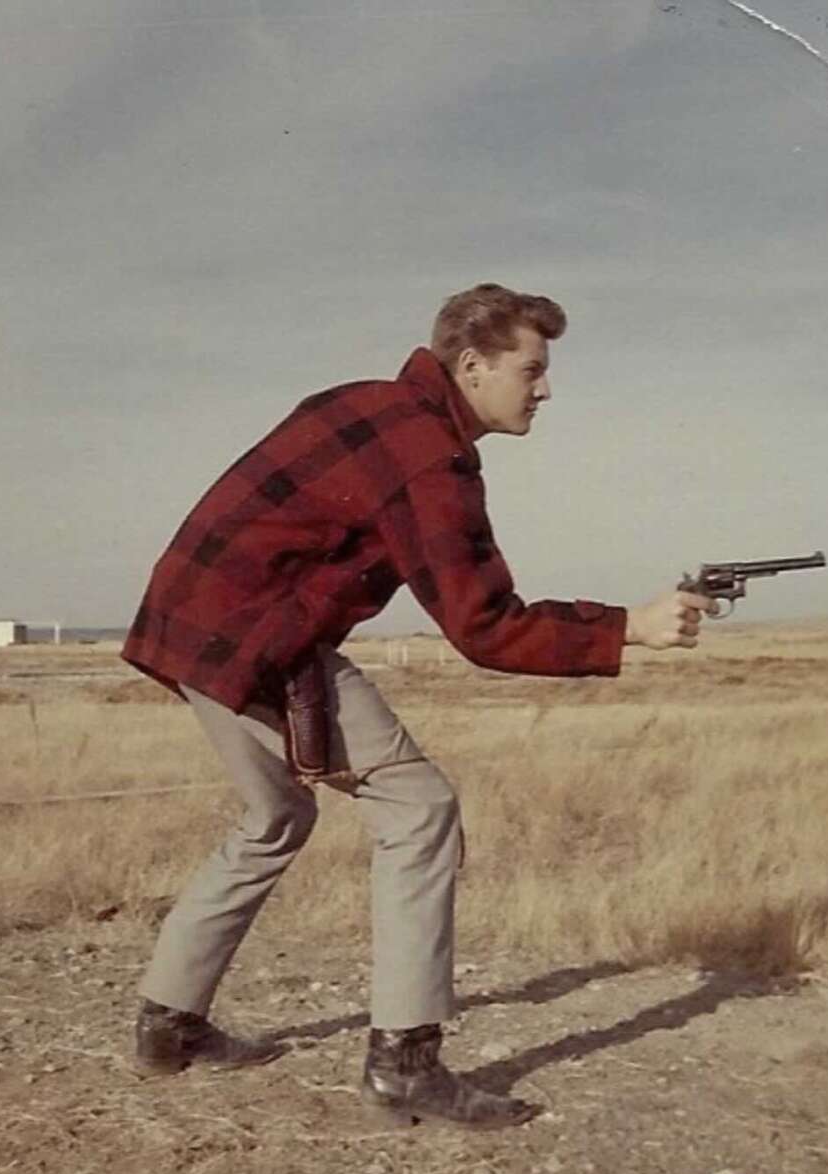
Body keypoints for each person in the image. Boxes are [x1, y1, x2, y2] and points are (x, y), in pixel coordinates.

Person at [121, 283, 716, 1129]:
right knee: (421, 807)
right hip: (253, 638)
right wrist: (632, 629)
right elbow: (484, 628)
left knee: (274, 816)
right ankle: (404, 1064)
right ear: (471, 367)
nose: (544, 390)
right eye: (531, 369)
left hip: (190, 626)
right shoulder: (427, 455)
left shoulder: (367, 404)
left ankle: (166, 1027)